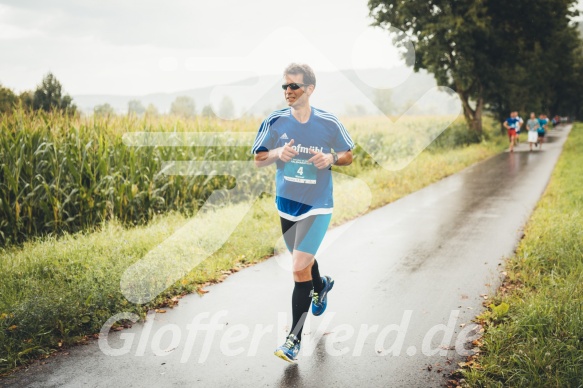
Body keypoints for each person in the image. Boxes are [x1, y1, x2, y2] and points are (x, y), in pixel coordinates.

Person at [251, 63, 354, 363]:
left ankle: (293, 340)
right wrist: (276, 154)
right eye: (284, 86)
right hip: (287, 205)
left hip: (318, 205)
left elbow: (348, 154)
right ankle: (321, 286)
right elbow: (259, 158)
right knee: (303, 262)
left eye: (293, 86)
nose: (288, 91)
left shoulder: (328, 122)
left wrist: (332, 157)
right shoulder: (275, 121)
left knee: (297, 267)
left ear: (309, 89)